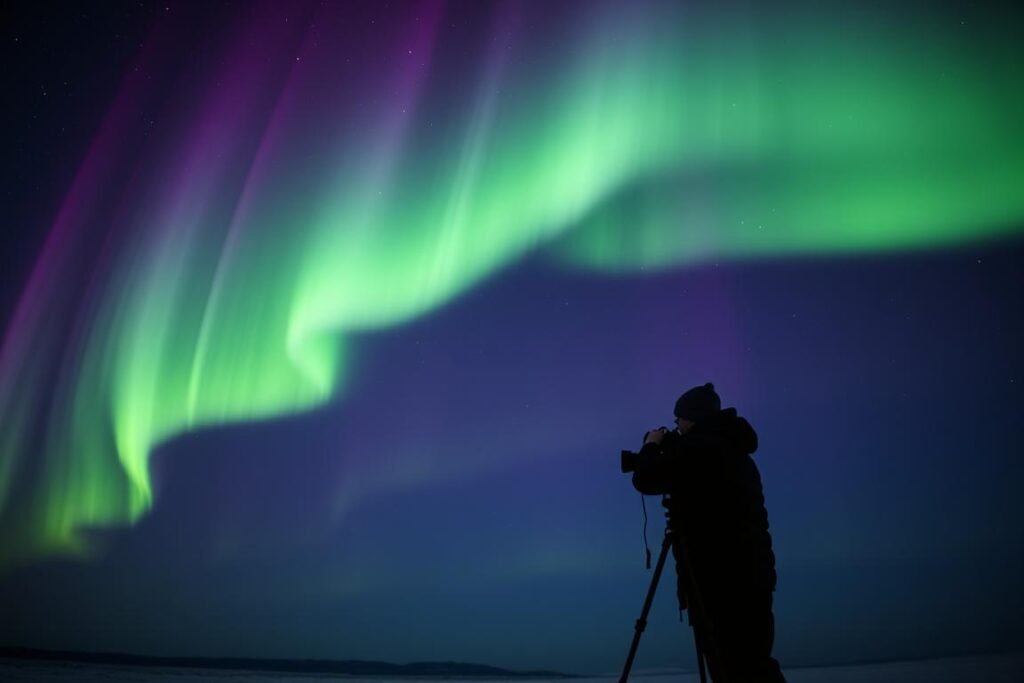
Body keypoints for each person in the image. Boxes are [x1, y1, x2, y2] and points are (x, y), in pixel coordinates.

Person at [632, 382, 785, 682]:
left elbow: (646, 478)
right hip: (751, 575)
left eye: (678, 419)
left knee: (733, 667)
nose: (676, 426)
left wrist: (651, 445)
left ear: (692, 418)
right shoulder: (732, 449)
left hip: (719, 579)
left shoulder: (701, 449)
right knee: (754, 664)